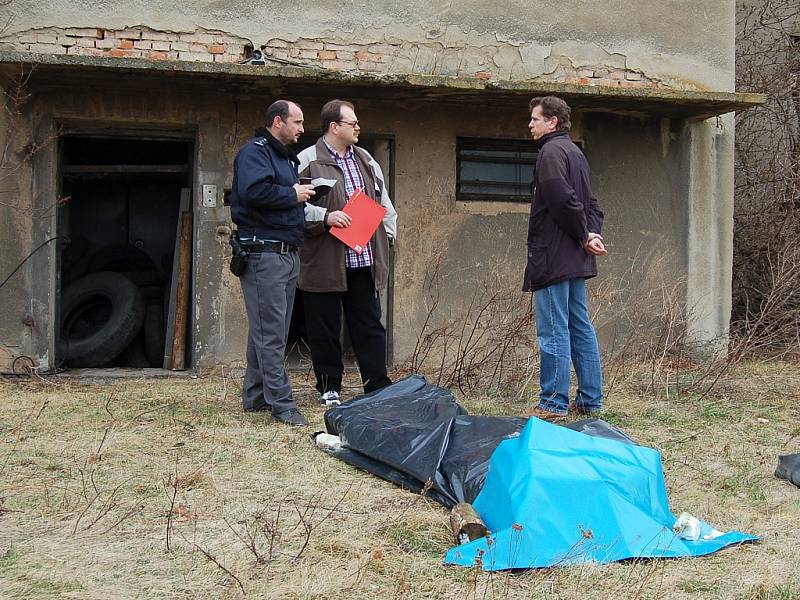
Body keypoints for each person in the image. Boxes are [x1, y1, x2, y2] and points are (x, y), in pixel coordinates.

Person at [297, 99, 397, 405]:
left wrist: (387, 238)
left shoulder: (367, 159)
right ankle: (329, 387)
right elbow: (294, 208)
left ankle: (377, 386)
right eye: (352, 123)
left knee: (368, 324)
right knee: (324, 325)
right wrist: (326, 218)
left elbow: (384, 202)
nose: (357, 127)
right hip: (325, 259)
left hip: (363, 258)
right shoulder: (307, 159)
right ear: (334, 127)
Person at [229, 100, 316, 426]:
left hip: (285, 253)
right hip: (264, 254)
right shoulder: (255, 153)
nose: (302, 129)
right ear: (277, 121)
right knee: (272, 335)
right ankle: (283, 405)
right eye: (297, 122)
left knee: (266, 329)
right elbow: (253, 192)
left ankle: (255, 396)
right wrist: (291, 195)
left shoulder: (284, 158)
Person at [523, 96, 607, 420]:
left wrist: (585, 235)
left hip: (554, 258)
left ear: (553, 121)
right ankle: (590, 400)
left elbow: (562, 200)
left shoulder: (551, 153)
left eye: (535, 119)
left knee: (554, 328)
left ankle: (553, 403)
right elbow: (592, 204)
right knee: (579, 325)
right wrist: (590, 234)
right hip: (573, 256)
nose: (530, 124)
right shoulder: (575, 153)